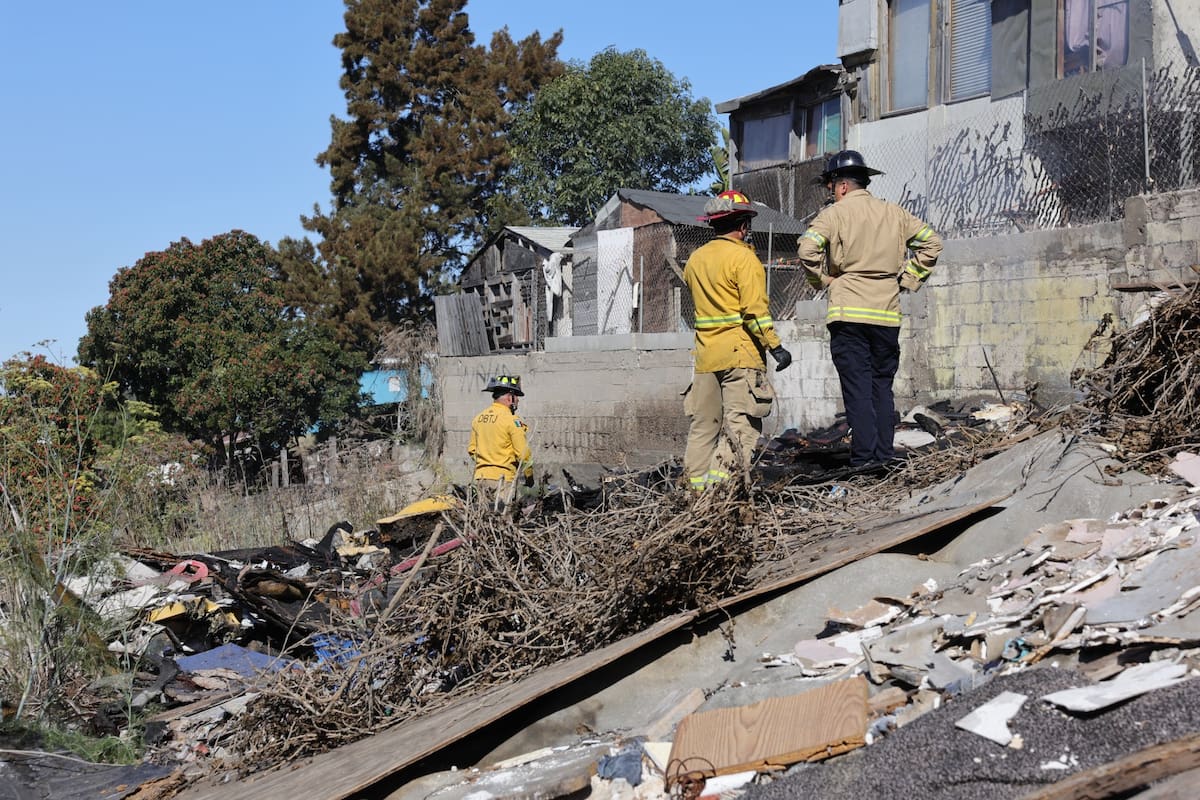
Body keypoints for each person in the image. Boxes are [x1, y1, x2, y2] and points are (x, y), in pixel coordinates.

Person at [797, 150, 943, 469]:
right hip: (886, 313)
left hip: (848, 312)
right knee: (881, 386)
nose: (831, 193)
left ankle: (864, 460)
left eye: (831, 186)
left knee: (857, 388)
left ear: (843, 187)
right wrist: (908, 279)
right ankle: (884, 456)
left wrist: (822, 281)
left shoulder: (833, 215)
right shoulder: (895, 213)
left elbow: (806, 250)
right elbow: (932, 242)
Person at [682, 189, 793, 490]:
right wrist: (775, 346)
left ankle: (694, 494)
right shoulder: (744, 259)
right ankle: (720, 496)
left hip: (705, 359)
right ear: (743, 225)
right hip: (740, 356)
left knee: (703, 427)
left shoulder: (694, 260)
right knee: (740, 427)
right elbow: (754, 312)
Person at [468, 375, 534, 504]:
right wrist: (529, 476)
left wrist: (486, 463)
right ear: (510, 397)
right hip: (503, 480)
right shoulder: (512, 421)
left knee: (485, 518)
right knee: (504, 518)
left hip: (481, 478)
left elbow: (472, 450)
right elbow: (523, 454)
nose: (518, 402)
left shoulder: (478, 418)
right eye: (517, 398)